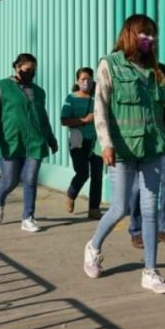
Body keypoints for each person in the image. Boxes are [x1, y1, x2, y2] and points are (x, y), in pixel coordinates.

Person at [82, 14, 165, 295]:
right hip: (120, 149)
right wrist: (106, 143)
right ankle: (93, 246)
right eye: (144, 34)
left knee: (150, 209)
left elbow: (157, 107)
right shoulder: (110, 64)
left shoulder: (155, 70)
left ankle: (150, 271)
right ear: (131, 34)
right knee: (120, 207)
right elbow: (100, 106)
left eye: (153, 35)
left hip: (151, 147)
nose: (150, 40)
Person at [0, 54, 58, 232]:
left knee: (30, 179)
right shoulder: (1, 87)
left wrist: (50, 138)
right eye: (27, 70)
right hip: (10, 142)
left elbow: (43, 117)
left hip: (35, 142)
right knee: (9, 181)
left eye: (33, 71)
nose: (31, 74)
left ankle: (28, 218)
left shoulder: (38, 91)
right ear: (17, 67)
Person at [127, 62, 165, 249]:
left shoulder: (163, 69)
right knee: (137, 186)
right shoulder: (128, 70)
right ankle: (136, 230)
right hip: (139, 135)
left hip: (162, 134)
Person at [60, 67, 103, 219]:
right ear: (77, 81)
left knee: (97, 175)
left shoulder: (98, 97)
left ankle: (94, 208)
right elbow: (64, 120)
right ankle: (71, 194)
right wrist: (83, 120)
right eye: (83, 79)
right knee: (83, 172)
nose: (86, 82)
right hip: (78, 142)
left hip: (97, 141)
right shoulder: (71, 98)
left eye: (89, 79)